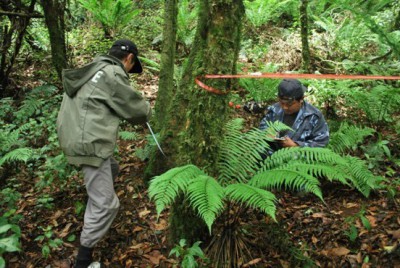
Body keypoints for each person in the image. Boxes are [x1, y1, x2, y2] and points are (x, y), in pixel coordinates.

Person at [56, 39, 151, 268]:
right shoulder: (111, 73)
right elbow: (136, 109)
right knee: (107, 204)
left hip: (75, 137)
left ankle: (95, 207)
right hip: (89, 143)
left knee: (113, 169)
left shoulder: (93, 69)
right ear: (128, 59)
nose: (130, 70)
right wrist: (148, 111)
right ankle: (83, 260)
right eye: (132, 66)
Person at [259, 79, 329, 151]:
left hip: (298, 159)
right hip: (271, 158)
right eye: (282, 103)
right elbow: (261, 129)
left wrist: (296, 146)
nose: (284, 107)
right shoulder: (274, 110)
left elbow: (321, 143)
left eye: (289, 104)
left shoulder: (313, 116)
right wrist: (267, 133)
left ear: (301, 100)